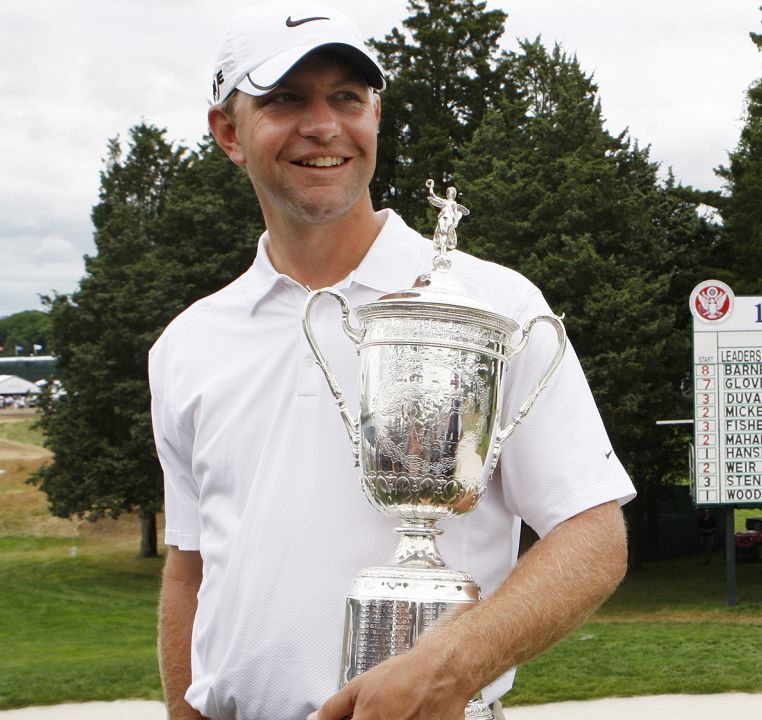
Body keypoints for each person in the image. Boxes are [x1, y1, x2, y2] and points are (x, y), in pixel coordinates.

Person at [151, 3, 634, 719]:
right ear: (228, 130)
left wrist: (454, 662)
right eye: (285, 99)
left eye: (347, 97)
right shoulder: (189, 343)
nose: (323, 126)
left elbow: (593, 535)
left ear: (374, 116)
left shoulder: (492, 302)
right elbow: (190, 570)